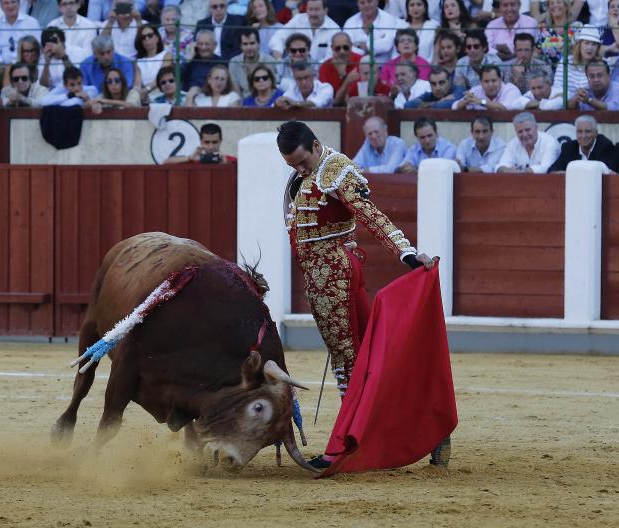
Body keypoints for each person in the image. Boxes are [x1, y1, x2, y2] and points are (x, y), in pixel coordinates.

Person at [276, 120, 445, 470]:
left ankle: (346, 444)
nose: (300, 170)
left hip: (334, 276)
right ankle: (430, 429)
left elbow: (371, 215)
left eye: (303, 162)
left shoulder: (337, 170)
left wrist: (406, 253)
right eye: (293, 165)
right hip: (327, 275)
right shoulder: (301, 176)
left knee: (347, 362)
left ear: (317, 144)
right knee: (372, 355)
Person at [268, 0, 339, 64]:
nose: (313, 14)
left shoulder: (334, 29)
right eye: (310, 9)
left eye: (317, 10)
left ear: (325, 11)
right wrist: (279, 59)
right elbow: (278, 37)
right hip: (294, 69)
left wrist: (309, 67)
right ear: (306, 9)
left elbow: (330, 58)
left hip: (320, 73)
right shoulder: (298, 19)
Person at [496, 112, 560, 173]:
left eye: (527, 130)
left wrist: (521, 172)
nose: (524, 135)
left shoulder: (550, 143)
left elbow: (546, 168)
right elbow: (500, 166)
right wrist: (505, 170)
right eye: (520, 132)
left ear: (536, 127)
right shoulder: (513, 143)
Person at [342, 0, 402, 65]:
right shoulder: (350, 22)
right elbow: (347, 48)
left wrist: (359, 45)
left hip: (382, 68)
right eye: (362, 2)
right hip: (357, 67)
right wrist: (374, 47)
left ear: (377, 1)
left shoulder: (389, 19)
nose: (366, 5)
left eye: (369, 1)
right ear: (357, 4)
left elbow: (386, 46)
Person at [548, 115, 615, 172]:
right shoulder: (568, 147)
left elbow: (605, 173)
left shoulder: (605, 146)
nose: (583, 136)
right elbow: (552, 171)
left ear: (596, 133)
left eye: (588, 131)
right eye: (580, 131)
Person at [552, 25, 602, 97]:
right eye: (586, 43)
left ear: (598, 48)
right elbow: (557, 90)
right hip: (564, 103)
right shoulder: (566, 62)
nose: (590, 47)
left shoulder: (601, 65)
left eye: (594, 44)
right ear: (579, 45)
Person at [452, 64, 527, 110]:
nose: (490, 85)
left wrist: (482, 102)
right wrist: (466, 101)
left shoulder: (511, 89)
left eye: (494, 80)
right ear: (480, 82)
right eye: (486, 81)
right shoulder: (476, 90)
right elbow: (454, 107)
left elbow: (506, 107)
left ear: (500, 79)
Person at [229, 28, 277, 97]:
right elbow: (236, 93)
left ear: (258, 44)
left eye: (252, 43)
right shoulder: (233, 63)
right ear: (240, 46)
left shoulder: (269, 60)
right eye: (245, 44)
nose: (249, 47)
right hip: (244, 104)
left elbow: (273, 88)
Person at [318, 31, 361, 104]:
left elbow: (356, 93)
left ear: (351, 46)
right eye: (338, 48)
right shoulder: (325, 67)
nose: (342, 51)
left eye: (345, 47)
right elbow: (329, 100)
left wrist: (344, 75)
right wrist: (346, 78)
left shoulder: (361, 61)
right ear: (332, 48)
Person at [0, 0, 41, 65]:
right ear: (1, 6)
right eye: (6, 3)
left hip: (27, 65)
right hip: (3, 67)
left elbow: (38, 49)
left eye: (13, 2)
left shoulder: (32, 23)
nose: (10, 6)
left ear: (19, 4)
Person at [164, 122, 236, 164]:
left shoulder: (231, 160)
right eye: (207, 142)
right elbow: (166, 163)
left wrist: (226, 165)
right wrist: (189, 158)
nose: (211, 146)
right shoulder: (194, 159)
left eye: (214, 142)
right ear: (201, 141)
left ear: (220, 141)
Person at [133, 22, 171, 95]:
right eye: (143, 37)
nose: (147, 39)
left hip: (162, 91)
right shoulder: (138, 62)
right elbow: (137, 85)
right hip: (144, 94)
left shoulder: (167, 55)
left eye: (150, 35)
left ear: (157, 38)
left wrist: (147, 89)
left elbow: (162, 77)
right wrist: (137, 93)